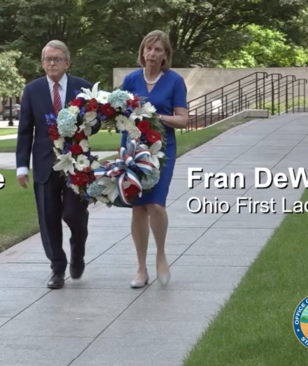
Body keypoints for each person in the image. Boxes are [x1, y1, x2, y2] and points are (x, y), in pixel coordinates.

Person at [15, 40, 100, 289]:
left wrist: (82, 125)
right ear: (42, 63)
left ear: (67, 63)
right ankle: (57, 268)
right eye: (47, 59)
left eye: (57, 59)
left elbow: (96, 122)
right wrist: (22, 166)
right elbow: (24, 131)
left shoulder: (82, 88)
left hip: (77, 162)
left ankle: (78, 252)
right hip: (44, 165)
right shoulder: (32, 90)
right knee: (48, 218)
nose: (52, 63)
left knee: (74, 215)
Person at [120, 30, 189, 288]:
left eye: (158, 50)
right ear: (142, 52)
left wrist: (156, 117)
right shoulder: (130, 79)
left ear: (165, 55)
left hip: (162, 150)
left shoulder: (174, 81)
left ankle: (161, 254)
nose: (152, 54)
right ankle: (141, 269)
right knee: (138, 207)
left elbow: (183, 119)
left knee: (156, 205)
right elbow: (120, 116)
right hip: (133, 149)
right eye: (149, 48)